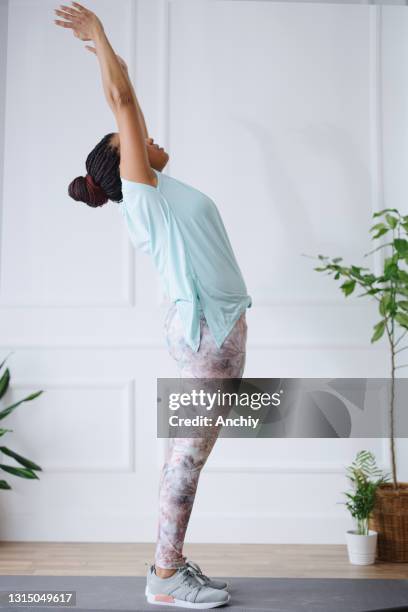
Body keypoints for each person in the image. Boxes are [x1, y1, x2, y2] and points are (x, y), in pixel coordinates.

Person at [55, 2, 252, 608]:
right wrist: (102, 36)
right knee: (187, 460)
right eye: (135, 140)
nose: (149, 137)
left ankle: (169, 565)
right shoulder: (141, 196)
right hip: (206, 335)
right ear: (125, 161)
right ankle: (165, 578)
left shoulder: (157, 191)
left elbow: (128, 106)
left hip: (209, 331)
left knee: (184, 456)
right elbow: (124, 104)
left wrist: (112, 62)